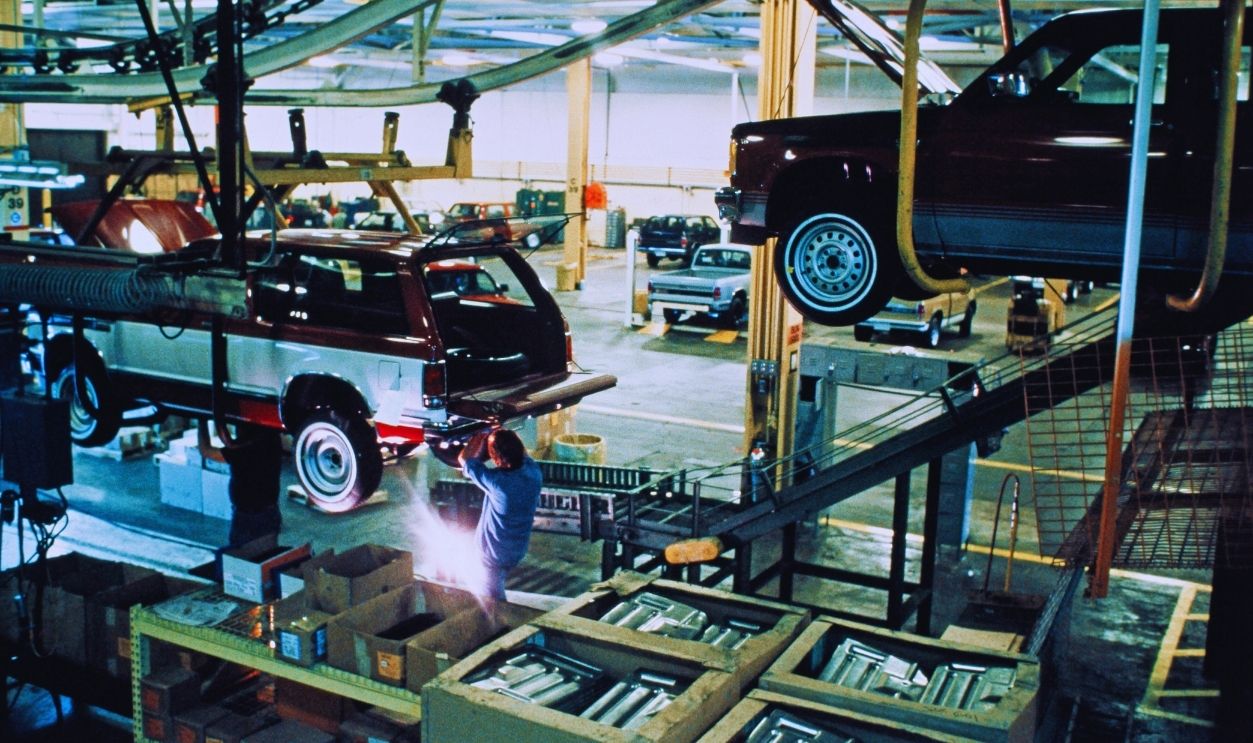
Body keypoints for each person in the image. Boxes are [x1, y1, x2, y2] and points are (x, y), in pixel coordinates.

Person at [458, 428, 542, 602]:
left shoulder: (498, 483)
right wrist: (499, 433)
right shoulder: (533, 471)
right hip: (517, 549)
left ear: (496, 458)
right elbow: (521, 451)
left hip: (493, 556)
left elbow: (464, 460)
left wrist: (478, 436)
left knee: (493, 601)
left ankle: (503, 625)